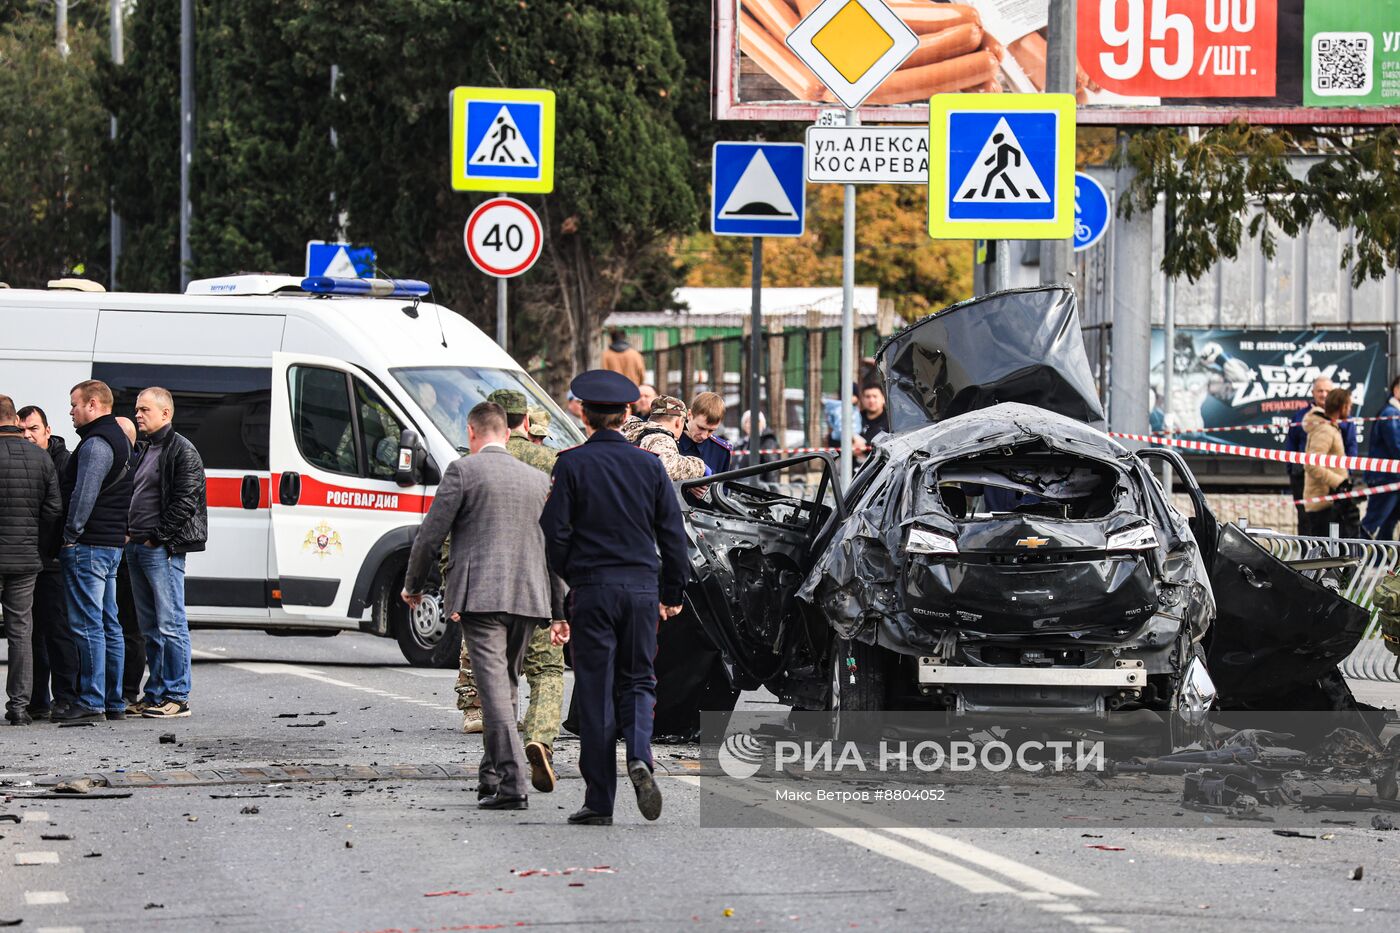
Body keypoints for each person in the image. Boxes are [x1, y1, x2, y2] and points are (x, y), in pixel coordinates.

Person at [539, 370, 688, 826]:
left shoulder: (570, 464)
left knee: (597, 691)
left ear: (583, 414)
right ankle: (640, 754)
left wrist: (574, 576)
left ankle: (599, 801)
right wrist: (672, 591)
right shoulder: (649, 466)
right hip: (642, 589)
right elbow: (673, 533)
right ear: (628, 414)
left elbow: (553, 533)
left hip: (592, 590)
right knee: (640, 680)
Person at [402, 402, 565, 812]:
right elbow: (555, 548)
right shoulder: (536, 479)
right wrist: (559, 608)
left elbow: (429, 535)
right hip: (530, 597)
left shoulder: (463, 470)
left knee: (494, 689)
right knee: (504, 685)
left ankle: (512, 784)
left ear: (472, 432)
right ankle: (489, 775)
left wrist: (413, 586)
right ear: (508, 433)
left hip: (482, 598)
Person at [124, 387, 207, 719]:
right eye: (137, 409)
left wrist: (155, 538)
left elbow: (186, 502)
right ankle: (155, 692)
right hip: (138, 547)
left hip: (162, 549)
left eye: (144, 409)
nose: (138, 415)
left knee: (171, 623)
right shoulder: (146, 449)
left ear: (165, 413)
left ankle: (177, 695)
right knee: (150, 627)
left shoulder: (182, 450)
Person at [58, 380, 134, 723]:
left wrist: (70, 535)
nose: (71, 411)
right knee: (108, 623)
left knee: (88, 625)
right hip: (111, 544)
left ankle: (91, 701)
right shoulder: (120, 439)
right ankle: (113, 701)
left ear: (92, 404)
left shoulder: (95, 444)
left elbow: (83, 495)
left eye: (74, 404)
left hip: (89, 546)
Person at [0, 395, 64, 725]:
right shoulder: (40, 458)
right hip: (26, 559)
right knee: (21, 632)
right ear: (13, 419)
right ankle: (19, 707)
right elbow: (54, 510)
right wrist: (36, 544)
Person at [17, 405, 79, 719]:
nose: (28, 435)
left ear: (47, 431)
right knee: (33, 633)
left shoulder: (62, 462)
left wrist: (54, 549)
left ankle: (66, 696)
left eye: (34, 429)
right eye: (23, 430)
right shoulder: (27, 460)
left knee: (57, 630)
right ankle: (38, 701)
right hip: (31, 558)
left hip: (53, 559)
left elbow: (61, 511)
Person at [1286, 377, 1357, 530]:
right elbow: (1294, 445)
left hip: (1332, 486)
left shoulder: (1340, 421)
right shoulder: (1316, 424)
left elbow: (1350, 445)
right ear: (1313, 392)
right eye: (1320, 391)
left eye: (1328, 391)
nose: (1324, 395)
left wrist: (1345, 475)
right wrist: (1292, 468)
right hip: (1315, 486)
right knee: (1310, 527)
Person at [1303, 388, 1358, 537]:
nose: (1351, 409)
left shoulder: (1331, 427)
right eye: (1349, 406)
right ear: (1342, 407)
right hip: (1323, 504)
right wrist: (1339, 482)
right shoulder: (1324, 430)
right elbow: (1311, 464)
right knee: (1327, 556)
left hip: (1330, 502)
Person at [621, 396, 707, 480]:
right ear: (678, 422)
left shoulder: (630, 430)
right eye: (683, 425)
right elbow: (669, 467)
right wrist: (701, 467)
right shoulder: (661, 438)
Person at [1364, 375, 1400, 541]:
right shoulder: (1391, 414)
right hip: (1386, 478)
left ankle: (1380, 561)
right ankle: (1355, 559)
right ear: (1396, 389)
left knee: (1389, 521)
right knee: (1373, 522)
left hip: (1393, 478)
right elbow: (1396, 446)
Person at [679, 391, 732, 476]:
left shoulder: (720, 451)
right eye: (701, 428)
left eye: (711, 430)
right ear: (689, 415)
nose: (704, 436)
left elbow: (723, 487)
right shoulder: (669, 442)